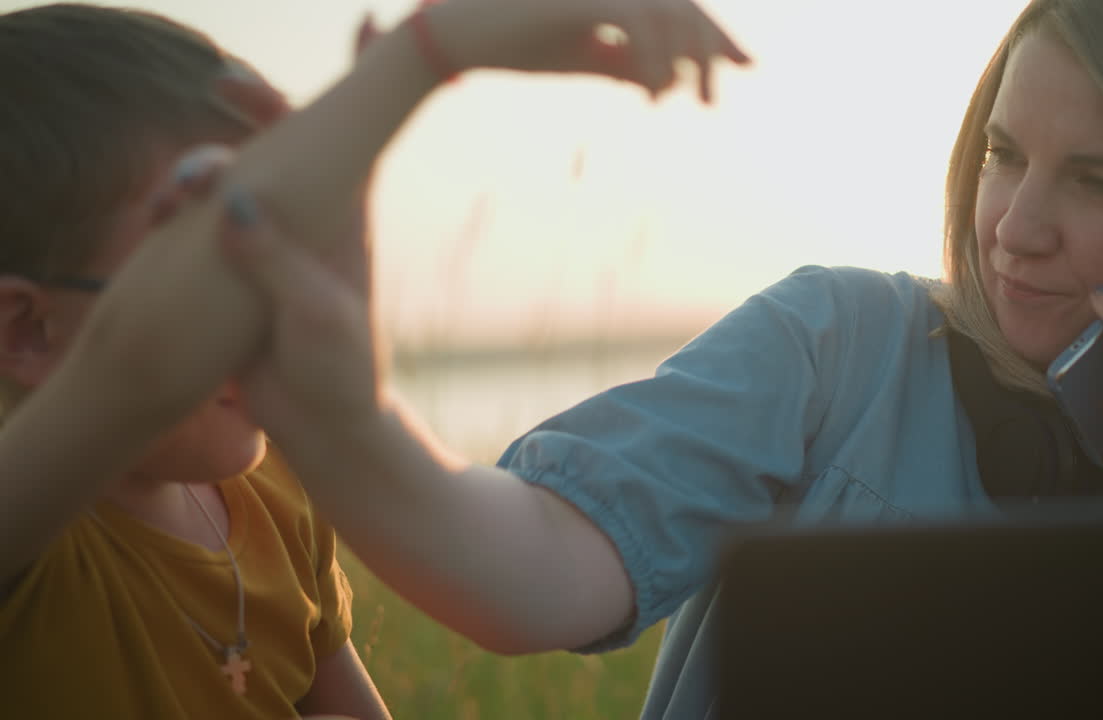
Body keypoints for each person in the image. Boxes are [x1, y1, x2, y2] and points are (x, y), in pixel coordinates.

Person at [196, 1, 1103, 718]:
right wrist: (338, 405)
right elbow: (520, 575)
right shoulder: (840, 351)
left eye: (1097, 179)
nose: (1013, 226)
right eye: (1001, 154)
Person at [0, 0, 746, 717]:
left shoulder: (277, 488)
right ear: (27, 331)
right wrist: (423, 53)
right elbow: (126, 372)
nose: (275, 302)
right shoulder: (27, 539)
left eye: (284, 243)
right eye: (224, 267)